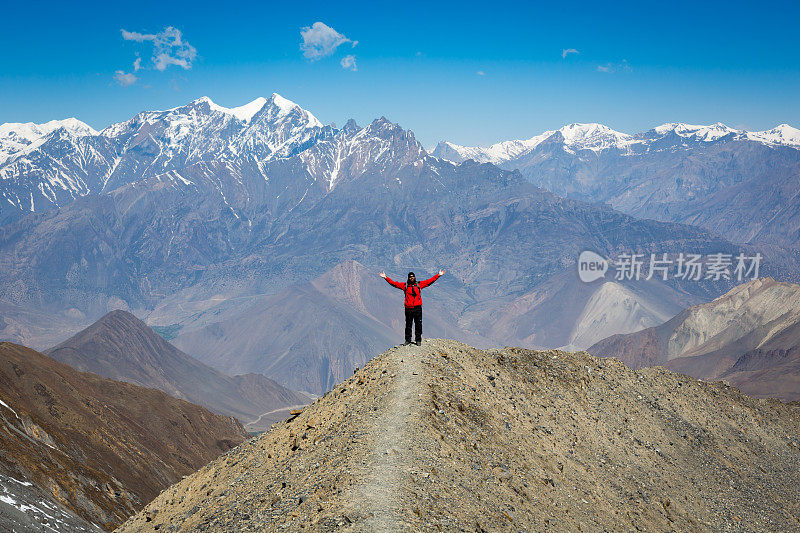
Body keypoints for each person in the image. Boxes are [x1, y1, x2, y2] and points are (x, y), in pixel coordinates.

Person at [379, 269, 445, 346]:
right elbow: (394, 284)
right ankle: (408, 340)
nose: (412, 278)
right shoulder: (405, 286)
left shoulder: (419, 284)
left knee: (418, 324)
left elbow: (429, 281)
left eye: (413, 277)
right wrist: (385, 277)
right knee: (408, 325)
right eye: (410, 277)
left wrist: (438, 275)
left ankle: (418, 340)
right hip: (409, 308)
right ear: (408, 278)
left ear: (415, 277)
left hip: (417, 308)